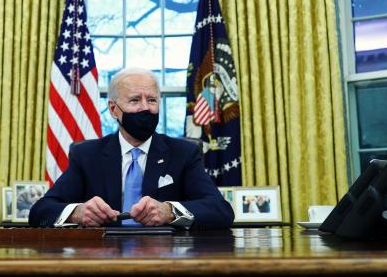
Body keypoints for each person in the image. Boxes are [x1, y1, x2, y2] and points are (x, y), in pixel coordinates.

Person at [29, 67, 234, 229]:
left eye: (152, 100)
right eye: (135, 100)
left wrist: (170, 211)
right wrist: (78, 213)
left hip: (164, 260)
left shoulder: (183, 153)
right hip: (103, 261)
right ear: (113, 109)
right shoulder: (87, 155)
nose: (145, 108)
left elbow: (221, 210)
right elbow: (40, 211)